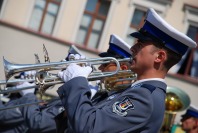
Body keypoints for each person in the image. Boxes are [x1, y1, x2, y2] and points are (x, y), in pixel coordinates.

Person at [57, 8, 197, 133]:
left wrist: (76, 83)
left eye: (140, 44)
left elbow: (89, 127)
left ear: (159, 57)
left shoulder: (145, 97)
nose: (132, 49)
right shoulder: (136, 90)